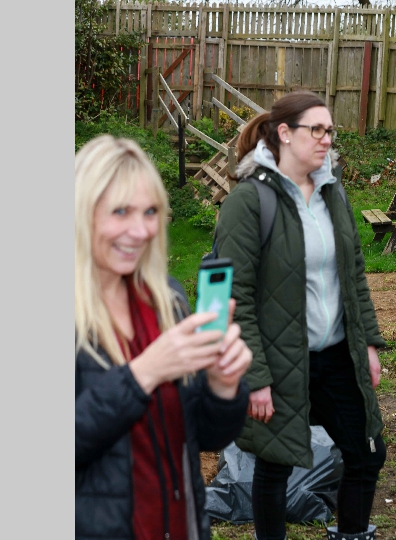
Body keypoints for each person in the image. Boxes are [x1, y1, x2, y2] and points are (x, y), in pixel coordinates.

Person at [215, 91, 388, 540]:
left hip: (336, 355)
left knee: (367, 453)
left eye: (330, 130)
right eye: (317, 129)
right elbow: (236, 297)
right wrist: (255, 377)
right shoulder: (249, 203)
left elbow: (354, 276)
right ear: (285, 134)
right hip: (280, 360)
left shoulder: (333, 194)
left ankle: (351, 534)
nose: (326, 139)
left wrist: (367, 342)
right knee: (275, 465)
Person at [75, 135, 252, 540]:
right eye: (121, 211)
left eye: (151, 211)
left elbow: (202, 436)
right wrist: (142, 375)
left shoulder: (166, 298)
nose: (140, 231)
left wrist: (224, 388)